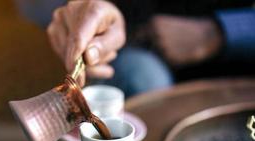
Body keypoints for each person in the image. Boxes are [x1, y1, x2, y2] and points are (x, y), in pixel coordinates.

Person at [46, 0, 255, 97]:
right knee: (140, 74)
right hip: (140, 46)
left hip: (242, 67)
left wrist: (218, 33)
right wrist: (87, 9)